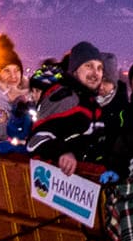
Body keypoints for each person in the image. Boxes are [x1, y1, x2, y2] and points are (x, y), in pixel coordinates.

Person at [27, 41, 113, 175]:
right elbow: (36, 140)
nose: (95, 73)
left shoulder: (92, 104)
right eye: (88, 66)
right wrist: (62, 152)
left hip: (83, 185)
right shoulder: (66, 98)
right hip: (54, 184)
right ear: (74, 70)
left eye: (99, 68)